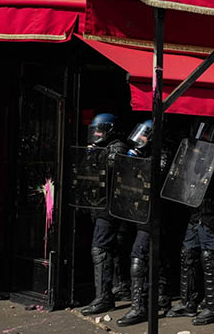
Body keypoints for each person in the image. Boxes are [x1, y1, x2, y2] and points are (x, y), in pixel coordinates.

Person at [166, 122, 214, 321]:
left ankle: (213, 306)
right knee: (188, 255)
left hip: (209, 214)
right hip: (194, 212)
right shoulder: (196, 156)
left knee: (209, 259)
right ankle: (188, 302)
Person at [117, 119, 170, 326]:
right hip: (139, 211)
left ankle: (139, 308)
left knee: (139, 256)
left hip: (153, 214)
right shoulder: (140, 152)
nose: (141, 139)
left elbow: (159, 174)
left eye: (145, 135)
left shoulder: (162, 153)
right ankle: (161, 299)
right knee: (156, 257)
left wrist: (141, 162)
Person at [80, 113, 132, 316]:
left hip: (110, 207)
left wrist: (93, 156)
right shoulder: (99, 148)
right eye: (94, 130)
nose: (96, 133)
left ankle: (104, 298)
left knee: (100, 248)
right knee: (113, 247)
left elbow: (107, 172)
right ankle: (119, 287)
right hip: (100, 205)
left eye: (100, 129)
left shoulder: (117, 147)